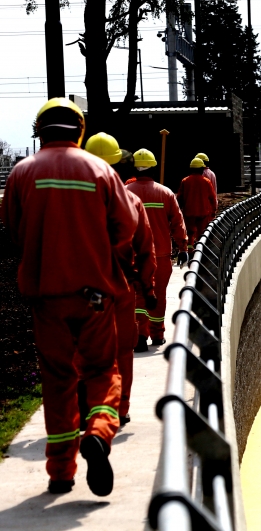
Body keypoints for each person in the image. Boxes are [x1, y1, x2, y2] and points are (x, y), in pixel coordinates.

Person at [0, 98, 137, 496]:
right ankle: (98, 432)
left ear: (39, 130)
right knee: (101, 371)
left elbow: (13, 230)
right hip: (94, 295)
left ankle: (61, 473)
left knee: (58, 379)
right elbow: (125, 227)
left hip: (46, 296)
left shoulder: (23, 172)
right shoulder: (98, 170)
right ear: (79, 129)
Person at [84, 134, 157, 427]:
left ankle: (91, 406)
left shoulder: (78, 203)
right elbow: (145, 249)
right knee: (123, 350)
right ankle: (120, 408)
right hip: (122, 287)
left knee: (89, 346)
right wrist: (148, 288)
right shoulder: (131, 201)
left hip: (89, 291)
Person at [127, 148, 188, 350]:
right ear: (153, 168)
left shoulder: (125, 192)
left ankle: (140, 336)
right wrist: (183, 247)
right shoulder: (165, 193)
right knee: (158, 294)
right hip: (161, 254)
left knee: (138, 296)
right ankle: (158, 334)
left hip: (134, 255)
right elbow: (178, 223)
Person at [177, 157, 217, 250]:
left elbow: (180, 198)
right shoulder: (206, 182)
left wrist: (179, 209)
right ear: (201, 169)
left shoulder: (185, 181)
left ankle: (190, 250)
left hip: (189, 213)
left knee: (190, 233)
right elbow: (212, 198)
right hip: (203, 213)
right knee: (201, 234)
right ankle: (200, 251)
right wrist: (213, 210)